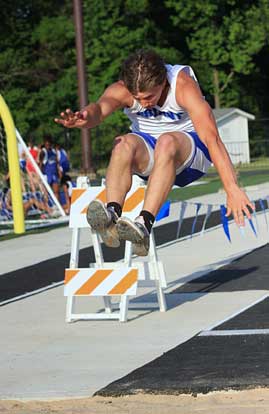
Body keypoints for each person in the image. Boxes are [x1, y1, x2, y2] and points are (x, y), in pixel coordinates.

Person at [55, 49, 254, 256]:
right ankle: (112, 215)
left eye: (149, 97)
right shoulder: (123, 89)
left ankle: (144, 223)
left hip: (190, 156)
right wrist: (85, 117)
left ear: (163, 82)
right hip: (151, 156)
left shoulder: (183, 86)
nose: (144, 103)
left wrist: (232, 188)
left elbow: (212, 139)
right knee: (122, 143)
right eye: (137, 99)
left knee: (167, 141)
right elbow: (100, 109)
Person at [39, 136, 60, 201]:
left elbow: (56, 163)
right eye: (46, 144)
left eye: (49, 144)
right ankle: (46, 206)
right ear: (45, 144)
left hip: (54, 173)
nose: (48, 145)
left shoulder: (54, 151)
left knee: (56, 191)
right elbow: (40, 164)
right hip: (46, 174)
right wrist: (40, 175)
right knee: (46, 192)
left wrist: (58, 172)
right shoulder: (43, 151)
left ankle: (57, 206)